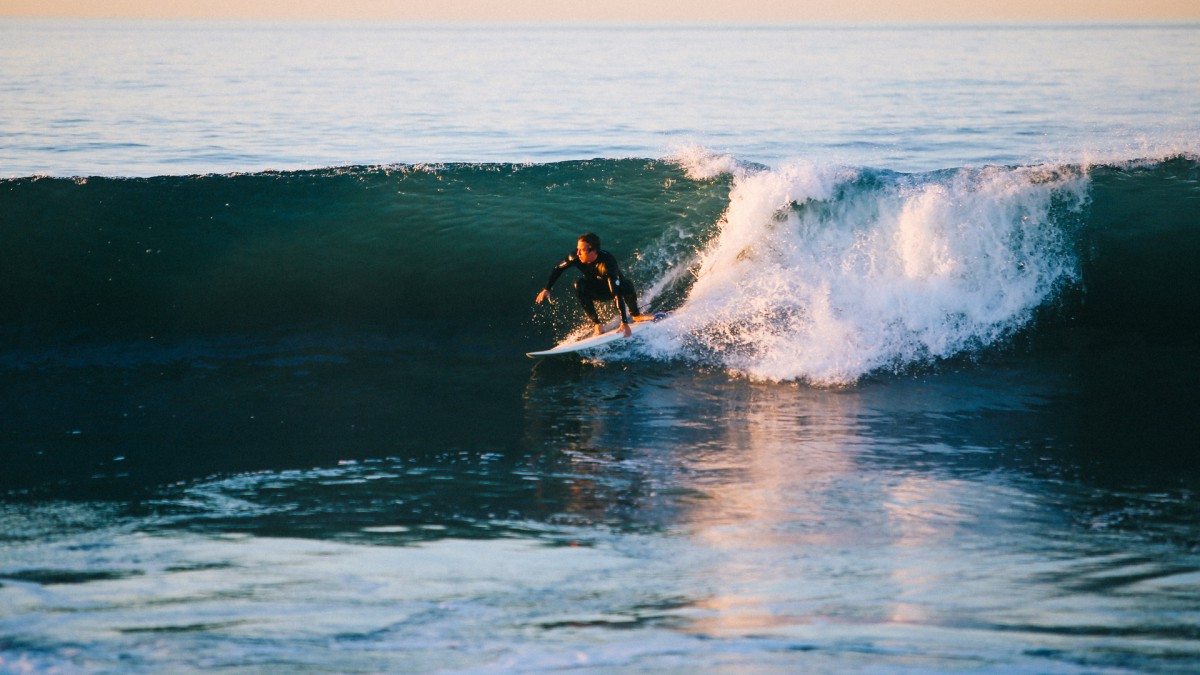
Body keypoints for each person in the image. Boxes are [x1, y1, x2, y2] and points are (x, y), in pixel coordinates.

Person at [535, 233, 645, 338]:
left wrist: (624, 323)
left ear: (594, 251)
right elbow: (558, 268)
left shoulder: (607, 263)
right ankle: (597, 324)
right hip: (597, 291)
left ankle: (635, 315)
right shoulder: (576, 257)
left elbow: (616, 294)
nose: (577, 253)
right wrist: (547, 288)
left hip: (614, 290)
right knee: (579, 284)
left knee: (626, 285)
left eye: (582, 250)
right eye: (577, 249)